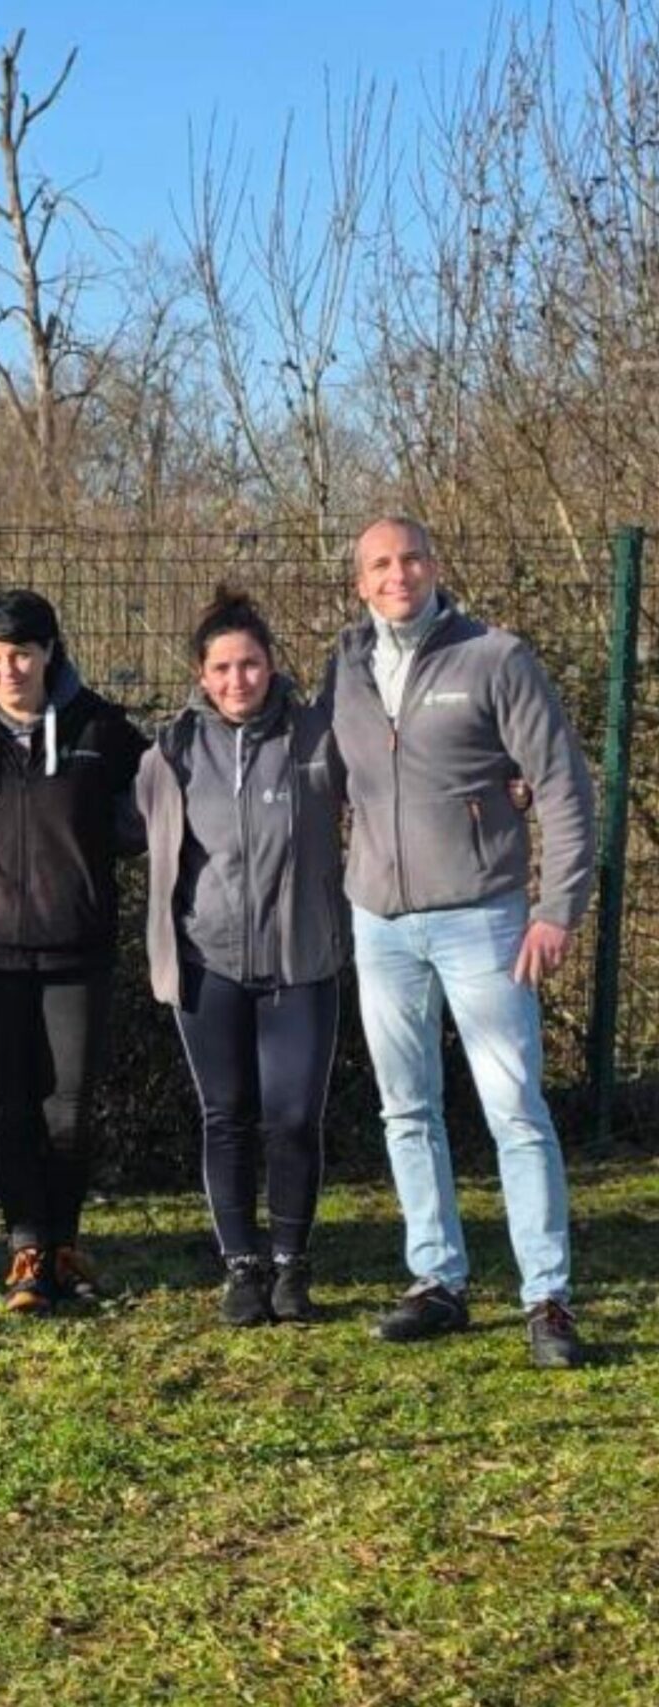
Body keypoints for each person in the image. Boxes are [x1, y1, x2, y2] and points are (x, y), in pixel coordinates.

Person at [326, 517, 596, 1368]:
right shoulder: (346, 667)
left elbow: (560, 783)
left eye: (409, 558)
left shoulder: (496, 657)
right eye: (379, 564)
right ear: (360, 582)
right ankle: (436, 1278)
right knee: (406, 1108)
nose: (396, 574)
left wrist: (556, 907)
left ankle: (547, 1295)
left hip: (485, 918)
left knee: (514, 1109)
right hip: (380, 921)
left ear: (434, 565)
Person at [0, 589, 149, 1313]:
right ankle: (25, 1246)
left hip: (78, 952)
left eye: (21, 653)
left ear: (50, 650)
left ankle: (65, 1240)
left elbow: (165, 796)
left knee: (70, 1110)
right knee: (13, 1108)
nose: (7, 670)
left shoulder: (101, 728)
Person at [138, 588, 348, 1327]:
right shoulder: (171, 751)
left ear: (271, 664)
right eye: (222, 667)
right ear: (201, 674)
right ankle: (242, 1266)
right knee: (225, 1116)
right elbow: (138, 833)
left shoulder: (319, 736)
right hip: (209, 963)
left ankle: (291, 1264)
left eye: (251, 663)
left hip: (303, 961)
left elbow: (394, 784)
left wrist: (499, 786)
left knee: (293, 1117)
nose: (238, 680)